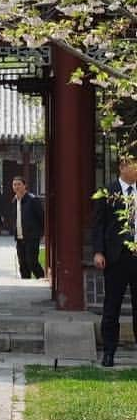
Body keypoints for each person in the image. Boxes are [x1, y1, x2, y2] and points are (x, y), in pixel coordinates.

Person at [92, 155, 137, 367]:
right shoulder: (108, 192)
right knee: (112, 306)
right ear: (123, 167)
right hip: (116, 257)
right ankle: (109, 352)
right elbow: (99, 225)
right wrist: (99, 251)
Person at [10, 176, 45, 279]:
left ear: (25, 186)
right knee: (23, 264)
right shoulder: (14, 200)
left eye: (19, 184)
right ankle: (25, 283)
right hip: (20, 238)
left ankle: (42, 278)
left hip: (32, 237)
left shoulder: (33, 200)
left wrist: (43, 234)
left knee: (32, 262)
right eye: (14, 184)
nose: (16, 187)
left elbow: (42, 217)